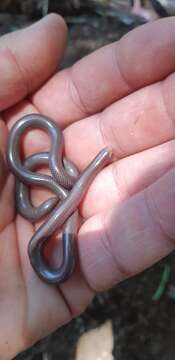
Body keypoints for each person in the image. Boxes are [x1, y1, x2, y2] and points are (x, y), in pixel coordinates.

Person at [1, 13, 175, 359]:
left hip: (54, 188)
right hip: (53, 191)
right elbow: (62, 185)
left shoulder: (60, 172)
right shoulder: (59, 175)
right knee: (59, 193)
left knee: (59, 190)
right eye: (104, 158)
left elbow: (62, 181)